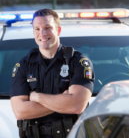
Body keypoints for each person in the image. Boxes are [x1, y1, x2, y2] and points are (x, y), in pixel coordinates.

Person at [10, 9, 95, 138]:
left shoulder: (78, 62)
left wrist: (36, 97)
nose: (42, 33)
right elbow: (20, 111)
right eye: (37, 29)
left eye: (47, 27)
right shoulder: (24, 65)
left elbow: (77, 106)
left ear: (58, 30)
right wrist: (64, 101)